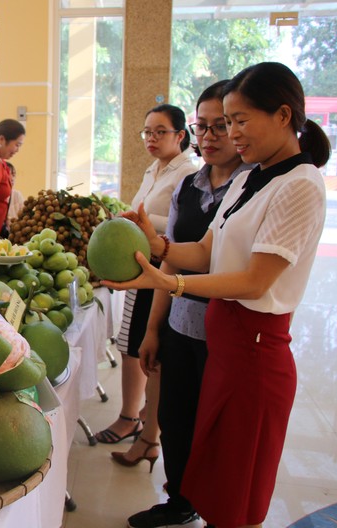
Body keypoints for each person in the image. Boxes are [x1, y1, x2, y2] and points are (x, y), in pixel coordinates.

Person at [103, 61, 330, 528]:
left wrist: (170, 283)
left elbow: (253, 280)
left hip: (254, 348)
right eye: (226, 123)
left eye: (239, 121)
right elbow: (207, 249)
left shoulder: (301, 184)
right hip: (222, 338)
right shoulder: (249, 178)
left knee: (236, 485)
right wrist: (156, 245)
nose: (231, 133)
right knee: (205, 462)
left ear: (284, 116)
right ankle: (182, 503)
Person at [122, 82, 253, 528]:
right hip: (181, 322)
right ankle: (179, 501)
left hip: (224, 330)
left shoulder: (250, 188)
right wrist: (154, 329)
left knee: (214, 431)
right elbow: (170, 259)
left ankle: (214, 508)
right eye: (206, 126)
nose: (213, 136)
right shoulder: (189, 188)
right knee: (176, 420)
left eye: (225, 125)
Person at [96, 104, 196, 446]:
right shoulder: (155, 170)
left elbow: (180, 228)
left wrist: (140, 223)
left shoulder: (187, 174)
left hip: (163, 269)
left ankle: (133, 419)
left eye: (160, 132)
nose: (151, 139)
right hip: (142, 267)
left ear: (180, 136)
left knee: (142, 346)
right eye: (147, 132)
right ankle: (137, 416)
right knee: (130, 344)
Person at [6, 161, 25, 227]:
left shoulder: (17, 195)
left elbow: (25, 216)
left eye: (13, 175)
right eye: (8, 174)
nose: (12, 178)